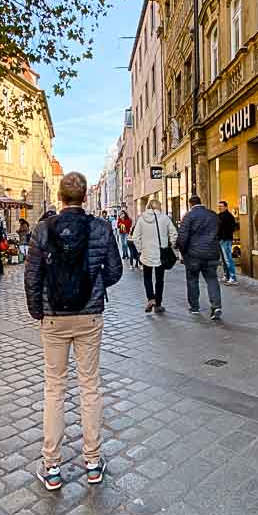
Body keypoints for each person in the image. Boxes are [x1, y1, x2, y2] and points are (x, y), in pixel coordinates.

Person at [25, 172, 122, 491]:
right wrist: (93, 286)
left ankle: (51, 465)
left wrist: (37, 310)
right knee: (89, 385)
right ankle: (92, 461)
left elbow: (33, 276)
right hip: (89, 316)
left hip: (53, 317)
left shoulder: (43, 228)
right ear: (83, 197)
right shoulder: (101, 227)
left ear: (62, 197)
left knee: (54, 388)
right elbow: (115, 271)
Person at [177, 194, 223, 320]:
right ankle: (216, 306)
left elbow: (182, 237)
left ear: (190, 204)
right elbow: (220, 231)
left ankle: (195, 307)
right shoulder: (213, 215)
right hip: (211, 253)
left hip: (193, 255)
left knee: (192, 280)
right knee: (212, 279)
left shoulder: (189, 216)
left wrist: (182, 251)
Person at [130, 200, 177, 313]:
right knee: (159, 279)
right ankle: (158, 304)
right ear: (158, 206)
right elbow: (174, 233)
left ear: (148, 206)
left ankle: (151, 298)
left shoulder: (141, 219)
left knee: (147, 277)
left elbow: (135, 237)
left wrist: (141, 250)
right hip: (161, 254)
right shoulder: (165, 218)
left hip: (146, 253)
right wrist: (170, 244)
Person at [217, 201, 239, 285]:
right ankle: (226, 275)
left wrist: (223, 237)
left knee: (228, 259)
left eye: (221, 206)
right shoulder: (219, 216)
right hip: (221, 240)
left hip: (225, 240)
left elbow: (231, 229)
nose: (220, 208)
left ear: (226, 207)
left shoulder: (229, 217)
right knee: (223, 259)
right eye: (219, 206)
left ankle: (233, 278)